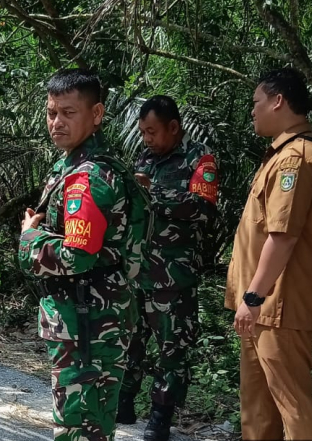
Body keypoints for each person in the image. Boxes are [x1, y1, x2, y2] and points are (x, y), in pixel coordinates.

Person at [18, 69, 148, 441]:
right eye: (51, 112)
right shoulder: (80, 165)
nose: (56, 122)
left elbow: (77, 254)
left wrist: (30, 240)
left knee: (79, 425)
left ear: (96, 114)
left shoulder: (86, 177)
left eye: (69, 113)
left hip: (87, 322)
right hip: (90, 315)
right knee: (91, 422)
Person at [117, 95, 218, 441]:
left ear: (173, 128)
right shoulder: (146, 157)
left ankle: (160, 416)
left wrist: (153, 195)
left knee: (172, 349)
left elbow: (203, 208)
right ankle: (124, 401)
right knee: (132, 340)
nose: (147, 139)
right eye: (143, 132)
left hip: (174, 274)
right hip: (139, 270)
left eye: (152, 132)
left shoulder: (199, 159)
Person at [226, 68, 312, 440]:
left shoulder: (296, 158)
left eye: (256, 103)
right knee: (258, 412)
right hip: (259, 311)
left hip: (278, 307)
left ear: (279, 101)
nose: (252, 111)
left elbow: (284, 236)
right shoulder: (277, 156)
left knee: (294, 410)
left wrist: (254, 295)